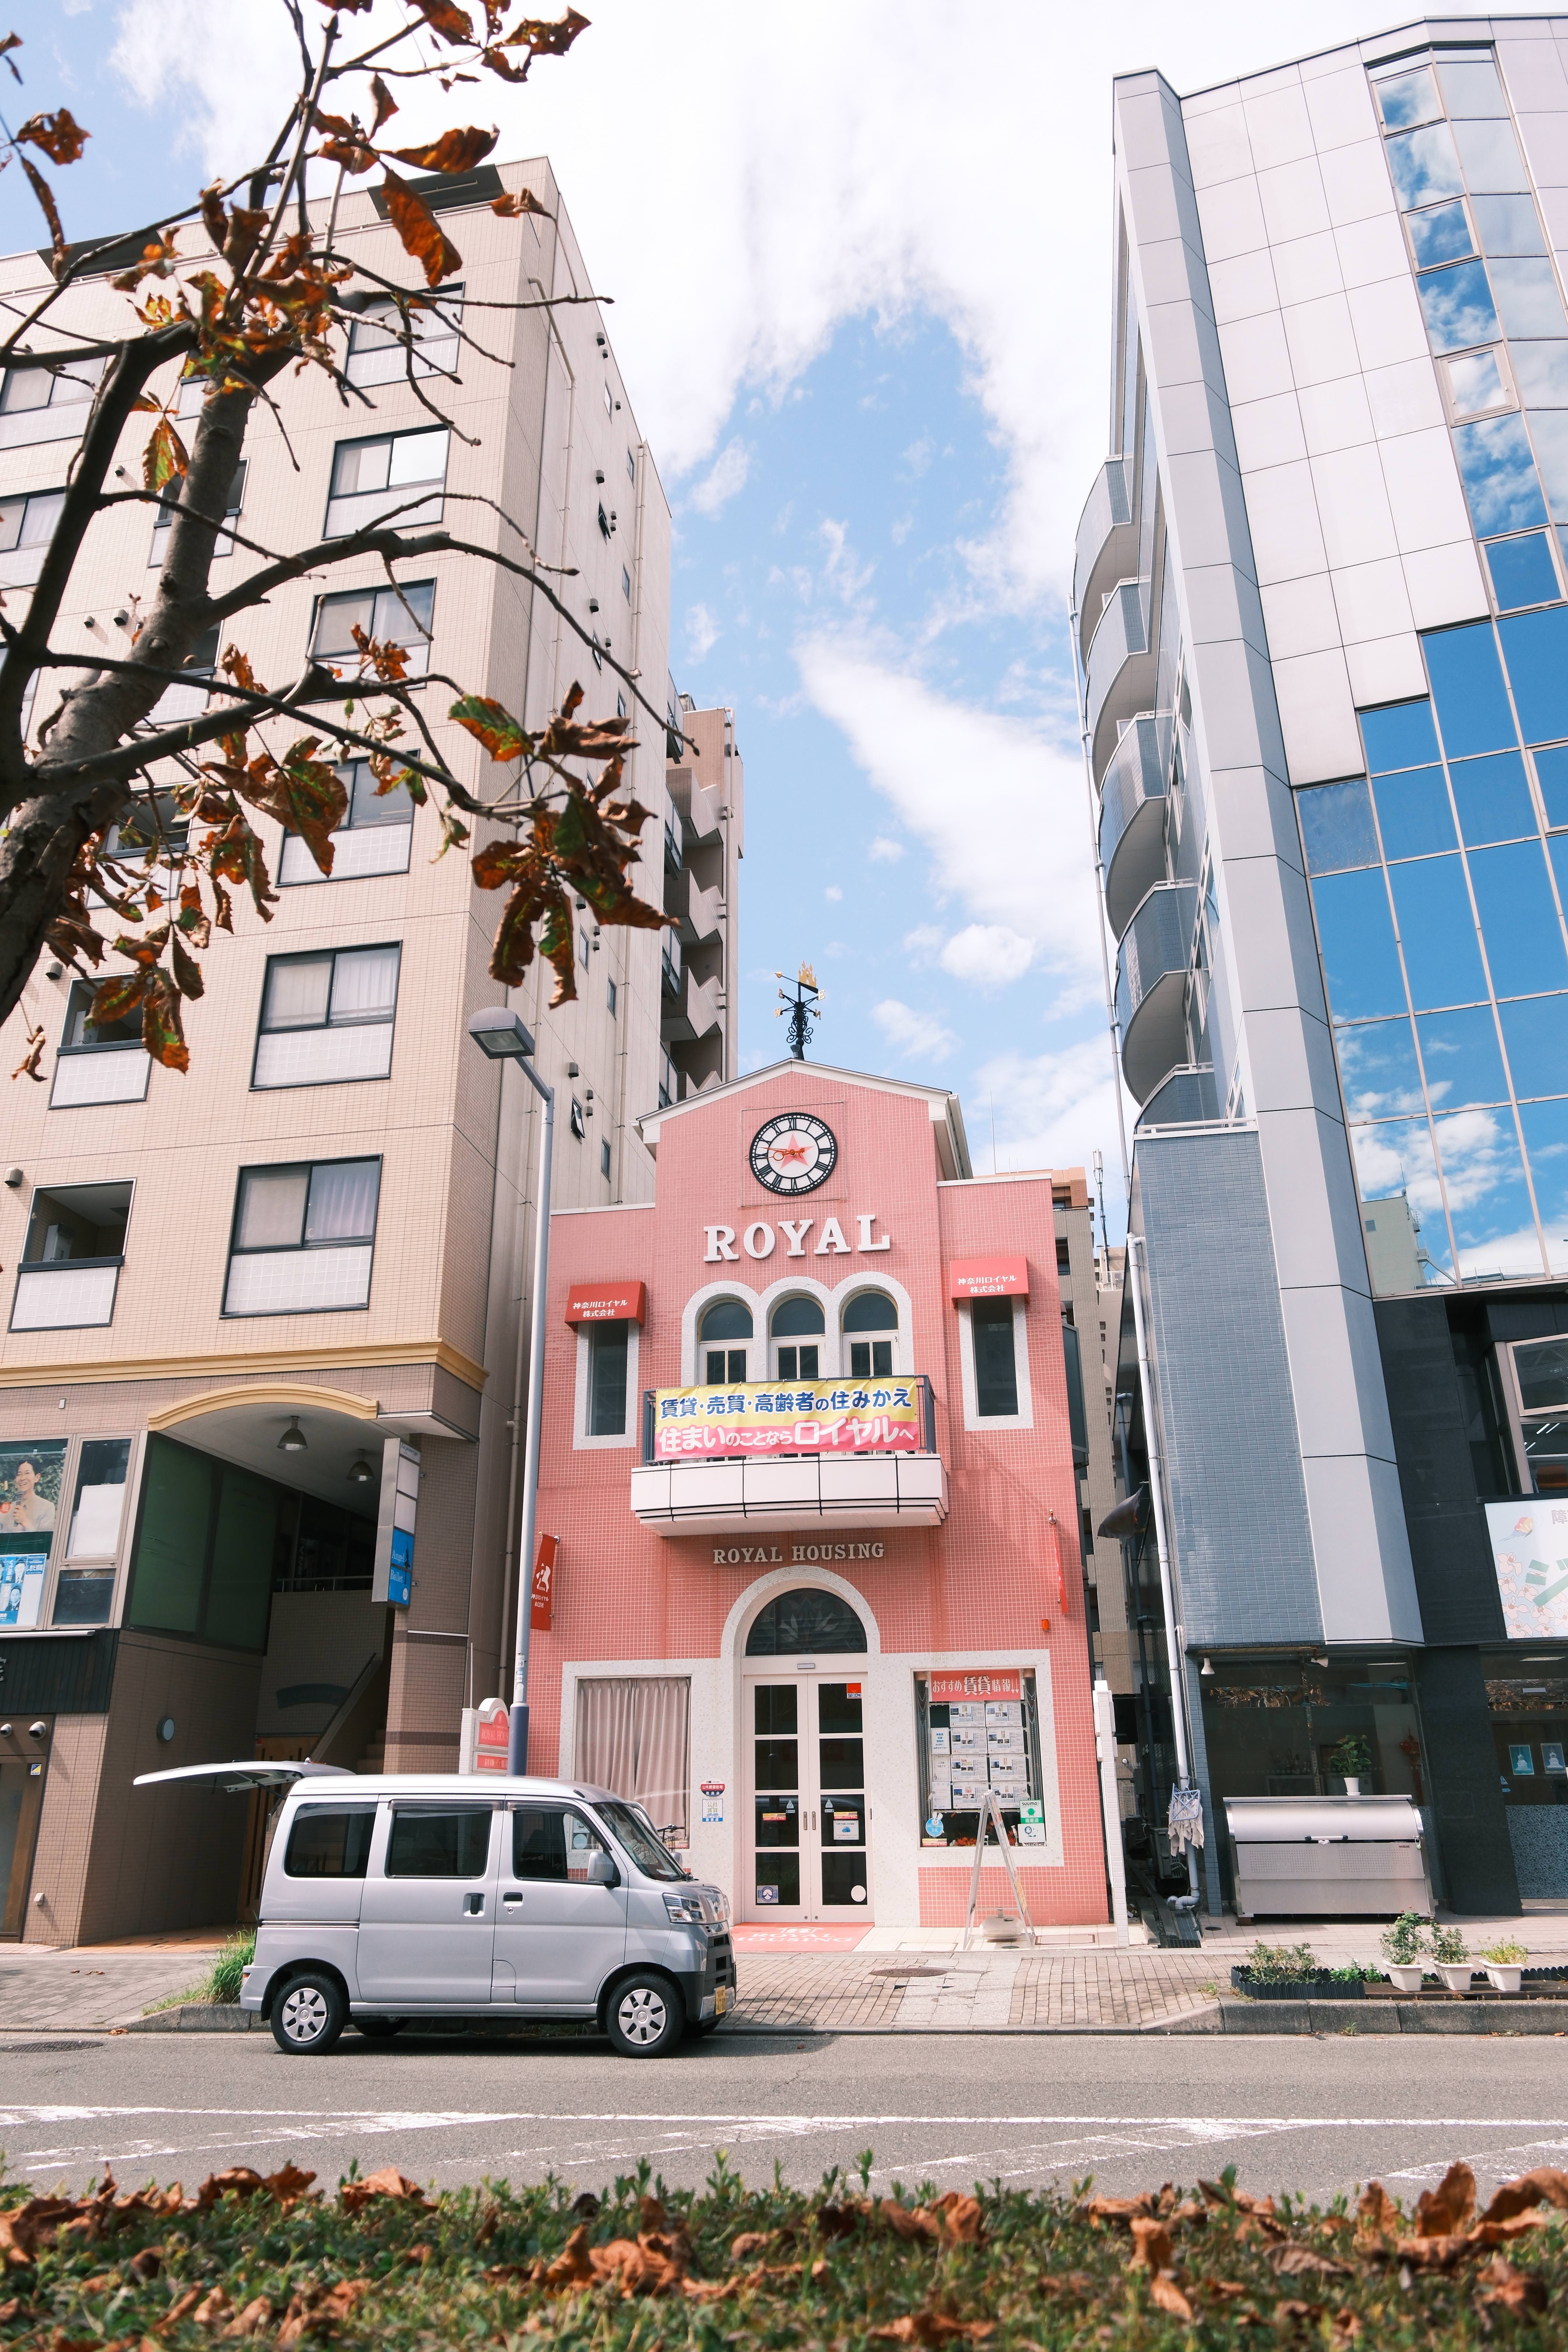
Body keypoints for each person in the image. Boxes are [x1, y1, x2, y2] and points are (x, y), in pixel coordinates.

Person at [1, 1457, 56, 1533]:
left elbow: (46, 1538)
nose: (23, 1478)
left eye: (27, 1473)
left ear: (37, 1478)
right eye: (19, 1474)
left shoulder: (47, 1507)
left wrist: (25, 1522)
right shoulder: (7, 1511)